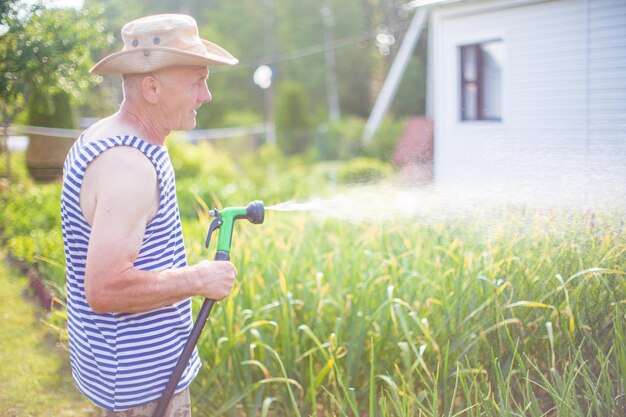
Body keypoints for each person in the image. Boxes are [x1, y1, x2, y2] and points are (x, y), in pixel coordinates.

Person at [60, 14, 239, 416]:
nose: (206, 95)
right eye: (198, 81)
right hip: (144, 393)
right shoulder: (128, 165)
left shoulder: (110, 135)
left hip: (128, 378)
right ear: (152, 88)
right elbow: (106, 289)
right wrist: (198, 278)